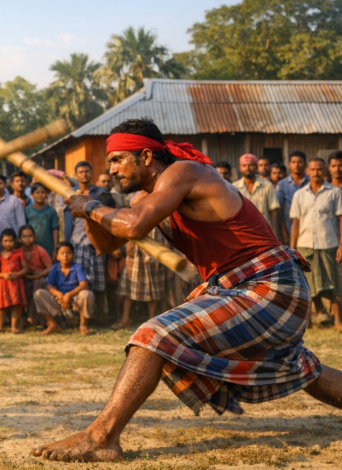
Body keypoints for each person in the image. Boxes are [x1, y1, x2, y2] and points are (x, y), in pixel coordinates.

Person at [38, 117, 338, 463]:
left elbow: (133, 227)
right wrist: (87, 214)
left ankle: (101, 437)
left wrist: (91, 206)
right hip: (251, 289)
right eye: (110, 161)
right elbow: (107, 245)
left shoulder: (183, 172)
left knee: (152, 335)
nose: (113, 168)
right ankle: (101, 436)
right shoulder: (148, 196)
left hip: (270, 286)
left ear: (146, 156)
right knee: (301, 368)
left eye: (118, 159)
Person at [289, 158, 342, 332]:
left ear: (324, 170)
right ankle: (308, 322)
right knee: (306, 286)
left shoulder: (334, 192)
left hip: (328, 244)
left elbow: (340, 219)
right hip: (305, 245)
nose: (316, 172)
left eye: (319, 169)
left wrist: (341, 245)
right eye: (313, 169)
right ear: (308, 171)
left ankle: (337, 321)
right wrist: (293, 249)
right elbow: (295, 223)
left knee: (333, 283)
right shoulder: (299, 194)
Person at [71, 161, 114, 323]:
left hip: (96, 243)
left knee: (99, 282)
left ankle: (100, 316)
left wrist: (106, 243)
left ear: (91, 173)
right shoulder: (70, 193)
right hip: (78, 243)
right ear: (76, 175)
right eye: (80, 172)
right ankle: (84, 318)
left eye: (86, 171)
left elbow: (109, 217)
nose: (84, 174)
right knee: (81, 282)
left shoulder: (100, 193)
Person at [32, 242, 93, 335]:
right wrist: (59, 294)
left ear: (73, 255)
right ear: (57, 256)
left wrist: (69, 295)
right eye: (62, 253)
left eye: (68, 253)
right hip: (59, 301)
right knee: (38, 294)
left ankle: (83, 325)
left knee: (86, 294)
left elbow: (84, 285)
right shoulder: (54, 268)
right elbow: (48, 286)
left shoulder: (77, 267)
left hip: (75, 301)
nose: (65, 256)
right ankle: (53, 324)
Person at [113, 227, 166, 328]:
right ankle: (125, 318)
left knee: (153, 281)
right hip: (137, 238)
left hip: (155, 239)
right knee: (130, 281)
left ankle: (151, 320)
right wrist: (130, 240)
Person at [232, 153, 280, 237]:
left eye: (251, 165)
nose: (247, 168)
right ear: (240, 168)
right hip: (243, 233)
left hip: (264, 232)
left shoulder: (267, 185)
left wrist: (274, 233)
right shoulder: (234, 187)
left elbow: (273, 211)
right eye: (244, 165)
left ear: (256, 167)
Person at [0, 228, 29, 334]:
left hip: (15, 284)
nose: (8, 243)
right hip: (2, 284)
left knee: (15, 305)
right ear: (1, 242)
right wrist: (3, 275)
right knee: (0, 306)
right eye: (5, 241)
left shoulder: (19, 253)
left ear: (15, 241)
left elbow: (26, 268)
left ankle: (13, 327)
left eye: (11, 241)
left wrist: (17, 274)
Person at [19, 225, 52, 328]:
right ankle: (20, 319)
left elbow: (50, 268)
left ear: (35, 237)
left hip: (39, 277)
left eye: (30, 236)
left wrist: (38, 275)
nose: (27, 239)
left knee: (39, 282)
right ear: (20, 239)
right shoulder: (18, 252)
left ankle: (39, 319)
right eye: (24, 236)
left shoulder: (40, 250)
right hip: (24, 277)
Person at [277, 150, 309, 243]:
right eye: (293, 162)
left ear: (305, 164)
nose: (296, 165)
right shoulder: (281, 185)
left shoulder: (311, 182)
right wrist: (283, 233)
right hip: (288, 230)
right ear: (289, 164)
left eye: (300, 162)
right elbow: (279, 211)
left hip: (308, 232)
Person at [25, 183, 59, 258]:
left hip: (48, 246)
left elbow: (55, 230)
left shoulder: (51, 211)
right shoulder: (27, 210)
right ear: (32, 195)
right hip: (31, 246)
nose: (40, 195)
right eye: (37, 192)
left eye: (42, 192)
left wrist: (55, 248)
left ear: (46, 194)